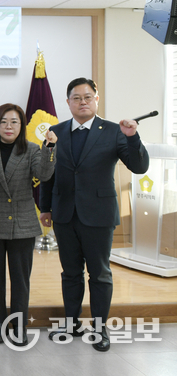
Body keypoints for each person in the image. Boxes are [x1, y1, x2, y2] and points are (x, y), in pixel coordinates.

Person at [40, 78, 149, 352]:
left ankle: (100, 329)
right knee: (70, 273)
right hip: (64, 214)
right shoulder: (55, 132)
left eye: (88, 97)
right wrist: (45, 207)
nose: (83, 102)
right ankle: (71, 324)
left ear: (96, 99)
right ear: (68, 102)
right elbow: (47, 174)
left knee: (99, 274)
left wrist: (133, 137)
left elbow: (139, 167)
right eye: (76, 98)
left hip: (99, 215)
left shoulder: (114, 131)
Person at [0, 103, 57, 346]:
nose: (9, 126)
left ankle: (18, 325)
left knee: (20, 280)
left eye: (15, 122)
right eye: (4, 122)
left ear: (22, 126)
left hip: (23, 222)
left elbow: (44, 174)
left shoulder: (32, 149)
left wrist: (50, 147)